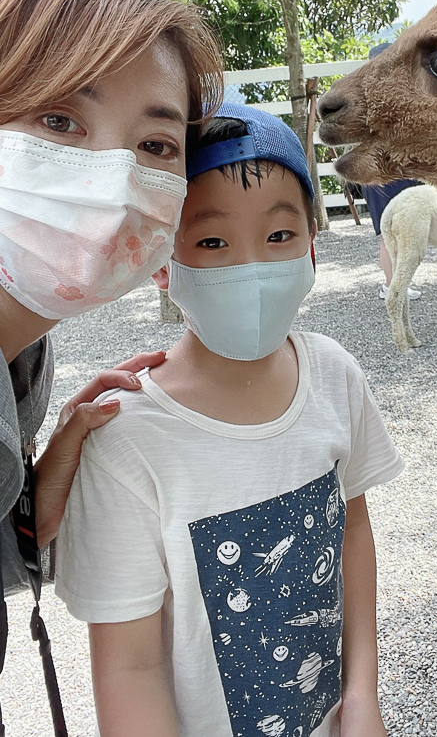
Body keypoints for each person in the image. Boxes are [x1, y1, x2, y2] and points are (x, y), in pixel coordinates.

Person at [55, 104, 404, 737]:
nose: (252, 267)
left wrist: (362, 696)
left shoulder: (335, 376)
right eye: (212, 242)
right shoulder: (125, 440)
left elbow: (353, 529)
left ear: (313, 248)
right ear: (162, 260)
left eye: (279, 237)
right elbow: (127, 668)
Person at [0, 0, 223, 727]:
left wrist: (27, 508)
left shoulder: (27, 354)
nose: (110, 178)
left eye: (156, 147)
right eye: (58, 121)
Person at [359, 43, 423, 301]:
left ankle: (394, 286)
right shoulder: (408, 93)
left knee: (388, 234)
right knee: (398, 233)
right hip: (394, 170)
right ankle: (395, 286)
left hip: (376, 172)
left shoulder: (361, 97)